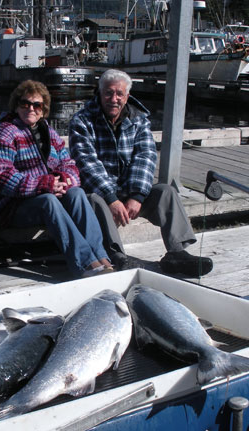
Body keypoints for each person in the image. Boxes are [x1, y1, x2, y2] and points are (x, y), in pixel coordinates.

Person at [68, 69, 213, 277]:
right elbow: (86, 162)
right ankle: (117, 256)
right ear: (99, 93)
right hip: (101, 195)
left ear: (127, 96)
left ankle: (177, 253)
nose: (114, 99)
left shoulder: (140, 120)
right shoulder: (82, 121)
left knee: (166, 192)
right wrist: (111, 198)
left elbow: (145, 158)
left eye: (119, 94)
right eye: (108, 93)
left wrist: (137, 196)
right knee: (92, 199)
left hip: (129, 192)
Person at [0, 79, 113, 278]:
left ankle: (102, 258)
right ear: (17, 106)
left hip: (46, 196)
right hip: (9, 206)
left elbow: (69, 165)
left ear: (43, 110)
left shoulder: (49, 133)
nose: (31, 108)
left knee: (77, 193)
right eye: (25, 103)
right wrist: (45, 185)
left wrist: (62, 180)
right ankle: (85, 264)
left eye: (37, 105)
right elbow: (1, 176)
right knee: (48, 201)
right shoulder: (4, 133)